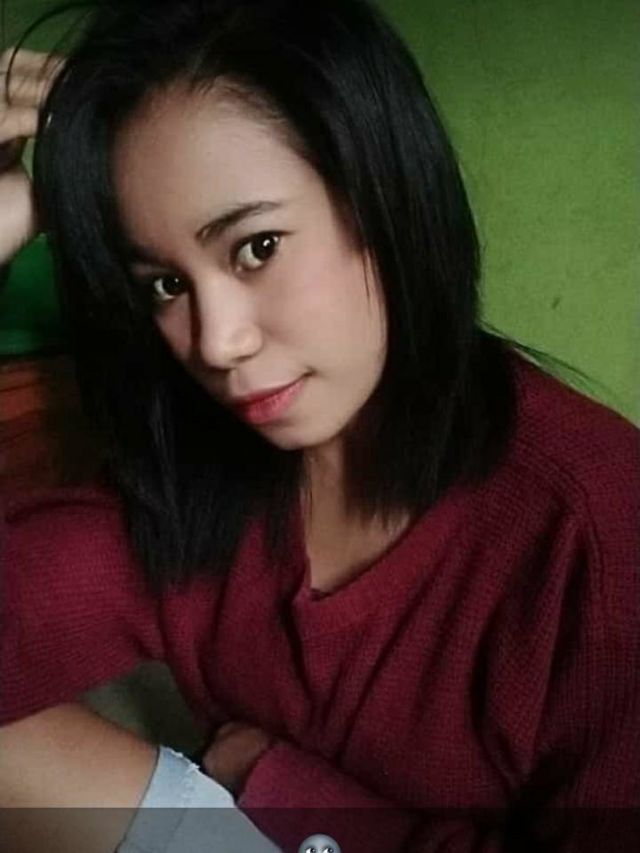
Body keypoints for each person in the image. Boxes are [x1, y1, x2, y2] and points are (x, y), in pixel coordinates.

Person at [1, 1, 638, 851]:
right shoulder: (202, 471)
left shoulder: (597, 529)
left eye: (257, 247)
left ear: (384, 195)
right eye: (165, 284)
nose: (216, 342)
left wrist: (289, 793)